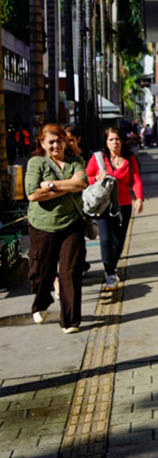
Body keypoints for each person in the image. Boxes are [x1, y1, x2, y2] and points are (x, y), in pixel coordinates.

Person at [25, 124, 90, 333]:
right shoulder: (36, 163)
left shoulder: (75, 161)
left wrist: (51, 185)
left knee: (70, 272)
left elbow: (82, 183)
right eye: (51, 142)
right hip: (42, 226)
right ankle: (42, 302)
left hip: (71, 223)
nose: (56, 145)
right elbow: (33, 194)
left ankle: (70, 321)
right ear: (42, 144)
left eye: (59, 141)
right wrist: (69, 184)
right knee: (42, 272)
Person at [85, 127, 143, 289]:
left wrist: (139, 198)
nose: (115, 142)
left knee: (119, 240)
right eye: (111, 139)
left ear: (122, 141)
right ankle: (109, 272)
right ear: (106, 142)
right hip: (104, 205)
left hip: (123, 205)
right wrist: (96, 178)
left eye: (117, 139)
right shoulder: (98, 158)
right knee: (105, 240)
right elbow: (86, 176)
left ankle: (113, 265)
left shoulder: (129, 158)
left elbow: (135, 179)